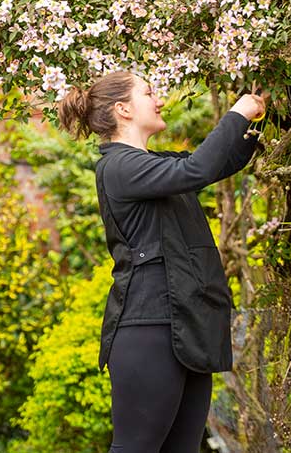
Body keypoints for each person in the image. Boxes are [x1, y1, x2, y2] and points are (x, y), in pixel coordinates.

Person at [58, 71, 265, 453]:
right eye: (149, 93)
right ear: (123, 109)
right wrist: (236, 112)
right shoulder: (119, 167)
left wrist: (258, 118)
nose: (160, 100)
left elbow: (219, 163)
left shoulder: (153, 165)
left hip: (188, 325)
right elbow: (198, 169)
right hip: (148, 327)